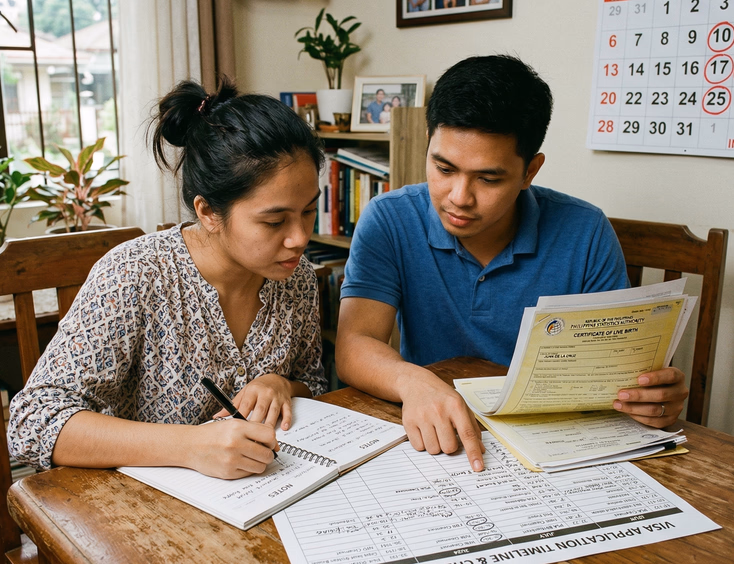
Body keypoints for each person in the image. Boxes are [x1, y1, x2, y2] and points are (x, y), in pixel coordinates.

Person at [335, 55, 689, 473]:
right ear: (428, 143)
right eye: (443, 168)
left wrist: (649, 398)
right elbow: (354, 345)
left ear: (529, 171)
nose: (459, 197)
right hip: (437, 438)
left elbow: (617, 369)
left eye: (488, 179)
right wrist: (413, 381)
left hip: (554, 445)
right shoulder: (390, 219)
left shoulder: (586, 230)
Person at [8, 77, 328, 479]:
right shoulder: (136, 275)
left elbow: (312, 382)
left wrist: (280, 384)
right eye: (275, 220)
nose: (299, 239)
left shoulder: (294, 277)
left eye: (309, 212)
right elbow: (31, 422)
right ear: (209, 212)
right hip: (139, 513)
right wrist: (190, 446)